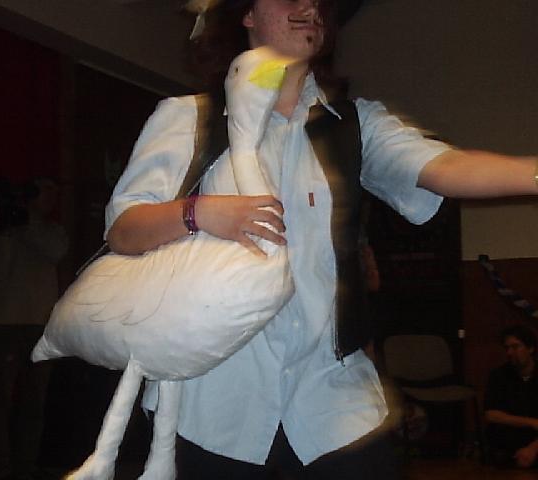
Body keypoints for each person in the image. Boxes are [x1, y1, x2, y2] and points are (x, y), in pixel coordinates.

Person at [104, 1, 538, 478]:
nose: (309, 5)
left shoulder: (353, 125)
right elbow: (124, 230)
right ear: (247, 14)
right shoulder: (189, 119)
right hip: (213, 404)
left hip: (334, 404)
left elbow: (448, 168)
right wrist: (200, 212)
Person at [0, 177, 68, 480]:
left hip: (40, 326)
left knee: (34, 402)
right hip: (4, 323)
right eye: (45, 192)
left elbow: (56, 251)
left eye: (54, 193)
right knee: (0, 401)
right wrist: (8, 226)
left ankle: (26, 466)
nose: (51, 198)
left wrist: (25, 222)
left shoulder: (52, 230)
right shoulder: (2, 228)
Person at [485, 325, 538, 469]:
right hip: (511, 434)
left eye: (515, 347)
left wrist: (533, 448)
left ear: (530, 348)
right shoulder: (499, 376)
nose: (509, 352)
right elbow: (491, 414)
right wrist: (531, 422)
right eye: (507, 348)